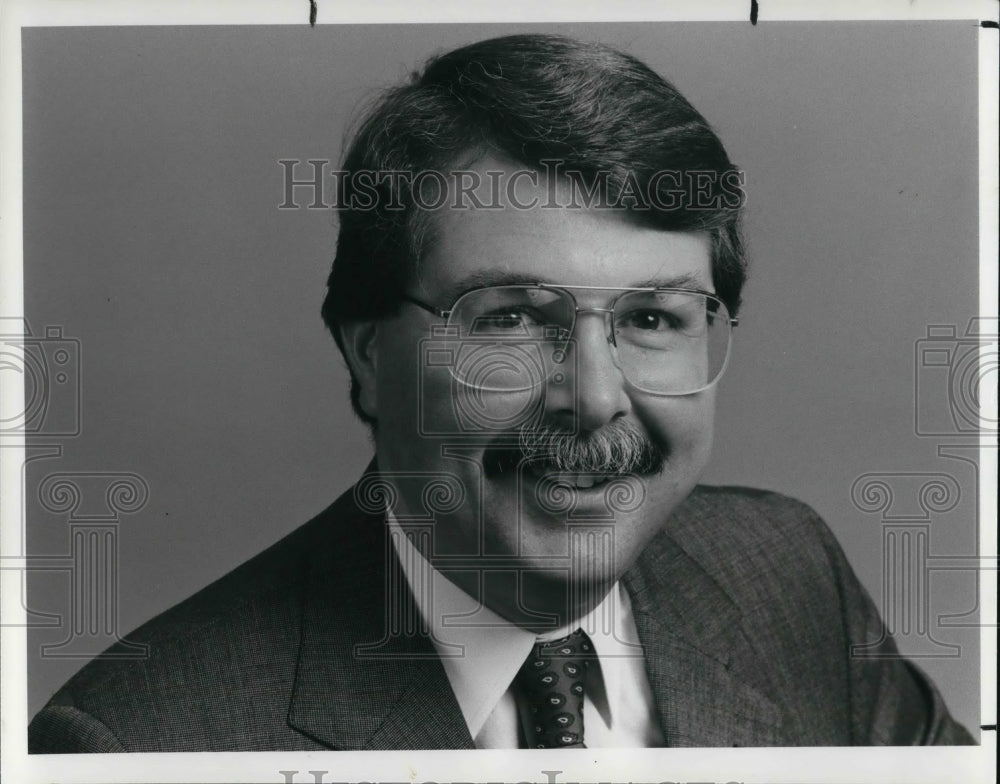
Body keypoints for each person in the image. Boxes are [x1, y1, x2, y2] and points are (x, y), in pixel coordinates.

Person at [28, 33, 974, 752]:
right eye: (512, 319)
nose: (594, 399)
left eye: (652, 319)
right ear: (368, 355)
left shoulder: (789, 575)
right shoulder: (135, 739)